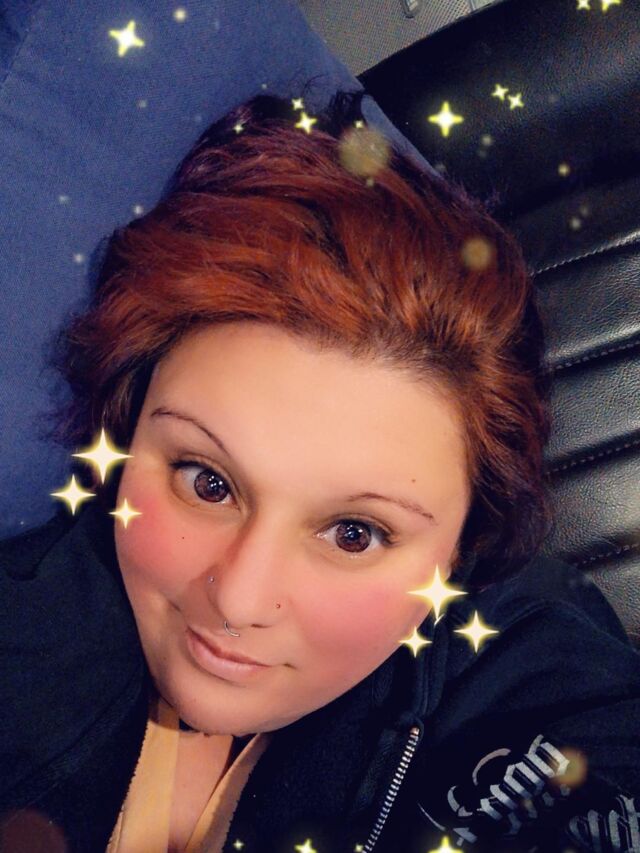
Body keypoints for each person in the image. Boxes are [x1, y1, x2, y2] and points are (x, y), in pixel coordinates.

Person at [1, 90, 639, 853]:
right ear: (130, 426)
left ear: (464, 542)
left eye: (354, 533)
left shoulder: (531, 657)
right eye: (207, 482)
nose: (238, 598)